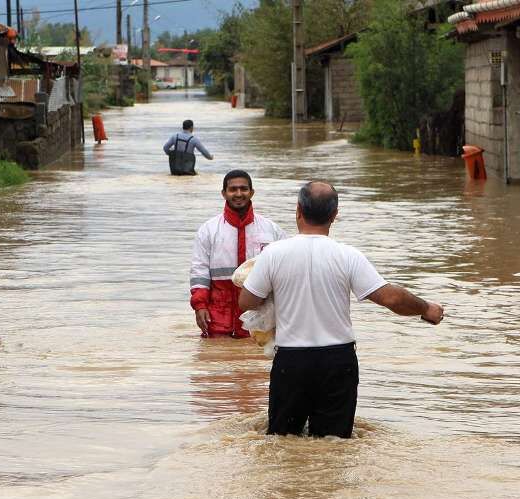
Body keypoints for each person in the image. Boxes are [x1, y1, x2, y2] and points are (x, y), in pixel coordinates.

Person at [238, 181, 444, 438]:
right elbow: (391, 298)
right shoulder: (348, 256)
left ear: (298, 210)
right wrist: (426, 308)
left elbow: (246, 302)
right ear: (335, 215)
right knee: (334, 444)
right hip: (338, 363)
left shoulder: (273, 255)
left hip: (292, 362)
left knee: (283, 441)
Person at [190, 170, 288, 338]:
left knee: (257, 360)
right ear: (224, 193)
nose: (238, 194)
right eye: (233, 189)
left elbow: (286, 272)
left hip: (260, 316)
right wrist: (200, 307)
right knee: (214, 360)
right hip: (218, 316)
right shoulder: (208, 230)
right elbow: (199, 272)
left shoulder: (271, 230)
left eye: (243, 189)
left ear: (252, 192)